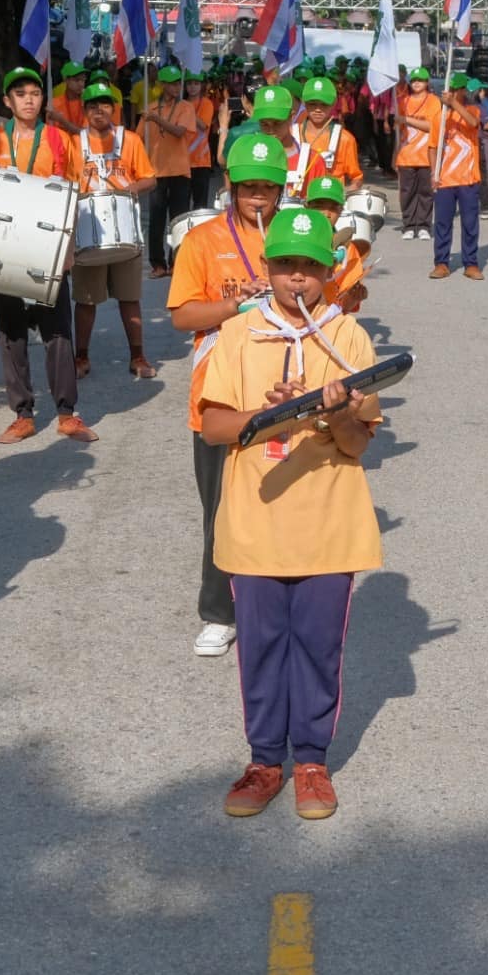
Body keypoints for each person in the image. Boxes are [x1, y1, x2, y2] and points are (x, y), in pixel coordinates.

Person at [199, 206, 384, 821]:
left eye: (310, 267)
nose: (298, 280)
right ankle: (263, 761)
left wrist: (332, 414)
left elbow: (358, 444)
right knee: (260, 644)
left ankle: (310, 760)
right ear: (267, 269)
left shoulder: (349, 336)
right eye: (286, 267)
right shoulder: (238, 335)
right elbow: (212, 425)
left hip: (328, 523)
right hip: (255, 522)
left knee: (317, 645)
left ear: (330, 272)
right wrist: (270, 415)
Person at [168, 136, 285, 658]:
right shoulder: (202, 241)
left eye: (267, 188)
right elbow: (182, 317)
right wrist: (236, 309)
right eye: (249, 188)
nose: (258, 198)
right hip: (217, 392)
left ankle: (274, 604)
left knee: (278, 500)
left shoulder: (292, 237)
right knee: (219, 508)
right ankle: (219, 612)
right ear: (230, 189)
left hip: (282, 386)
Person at [0, 66, 96, 444]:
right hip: (4, 245)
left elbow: (73, 196)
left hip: (48, 247)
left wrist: (69, 247)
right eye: (19, 94)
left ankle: (67, 413)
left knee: (58, 331)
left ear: (43, 100)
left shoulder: (58, 139)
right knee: (10, 332)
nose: (28, 99)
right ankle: (22, 414)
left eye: (34, 94)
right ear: (7, 101)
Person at [72, 82, 159, 379]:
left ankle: (138, 356)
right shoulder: (74, 143)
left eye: (106, 104)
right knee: (85, 299)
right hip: (88, 228)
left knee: (129, 296)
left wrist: (128, 191)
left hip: (125, 228)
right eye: (93, 105)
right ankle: (80, 357)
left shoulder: (130, 140)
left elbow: (150, 179)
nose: (100, 110)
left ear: (115, 108)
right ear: (84, 111)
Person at [141, 66, 201, 277]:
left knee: (178, 220)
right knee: (156, 220)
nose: (177, 87)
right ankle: (157, 264)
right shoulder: (151, 108)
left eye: (178, 83)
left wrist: (156, 120)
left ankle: (176, 262)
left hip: (179, 171)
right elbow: (139, 137)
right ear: (163, 85)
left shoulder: (185, 107)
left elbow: (179, 132)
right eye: (173, 83)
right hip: (156, 171)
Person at [430, 74, 485, 279]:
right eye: (449, 90)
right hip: (444, 179)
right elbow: (433, 147)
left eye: (456, 90)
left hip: (468, 178)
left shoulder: (472, 110)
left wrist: (454, 103)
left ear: (463, 91)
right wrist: (433, 173)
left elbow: (472, 123)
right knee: (442, 223)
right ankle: (441, 263)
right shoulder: (439, 117)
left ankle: (471, 263)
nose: (452, 93)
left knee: (470, 222)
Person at [302, 175, 368, 316]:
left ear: (341, 211)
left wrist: (354, 298)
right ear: (306, 207)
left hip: (328, 319)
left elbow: (345, 307)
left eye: (333, 208)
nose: (326, 213)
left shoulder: (349, 250)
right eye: (319, 206)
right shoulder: (291, 241)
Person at [295, 77, 364, 192]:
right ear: (304, 103)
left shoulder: (345, 139)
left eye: (324, 104)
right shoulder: (292, 135)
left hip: (330, 204)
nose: (318, 109)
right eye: (312, 104)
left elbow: (356, 179)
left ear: (333, 104)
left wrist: (341, 192)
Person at [394, 67, 440, 239]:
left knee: (425, 192)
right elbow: (398, 132)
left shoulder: (434, 101)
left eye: (420, 80)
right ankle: (409, 224)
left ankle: (423, 225)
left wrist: (407, 120)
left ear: (427, 82)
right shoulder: (402, 101)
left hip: (426, 155)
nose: (417, 83)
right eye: (413, 80)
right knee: (407, 193)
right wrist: (394, 154)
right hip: (406, 155)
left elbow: (432, 127)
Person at [184, 74, 217, 209]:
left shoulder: (206, 103)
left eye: (196, 84)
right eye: (189, 84)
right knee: (182, 203)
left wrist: (189, 108)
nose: (192, 87)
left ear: (201, 86)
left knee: (200, 204)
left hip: (201, 161)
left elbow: (203, 126)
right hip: (182, 161)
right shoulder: (180, 104)